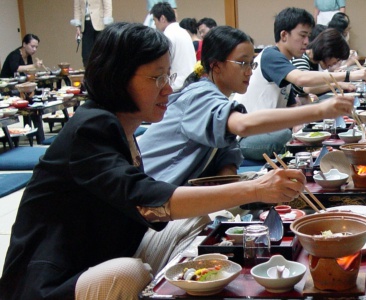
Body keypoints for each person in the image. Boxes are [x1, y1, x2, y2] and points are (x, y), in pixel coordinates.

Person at [0, 22, 308, 300]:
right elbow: (146, 202)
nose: (168, 88)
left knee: (197, 221)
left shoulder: (122, 124)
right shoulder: (89, 127)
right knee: (125, 274)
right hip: (55, 278)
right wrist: (255, 189)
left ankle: (175, 289)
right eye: (157, 77)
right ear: (118, 78)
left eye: (168, 75)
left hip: (109, 247)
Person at [138, 25, 355, 186]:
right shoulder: (199, 94)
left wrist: (233, 188)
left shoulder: (221, 99)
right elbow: (242, 126)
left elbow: (227, 160)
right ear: (216, 66)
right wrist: (321, 110)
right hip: (152, 197)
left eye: (251, 63)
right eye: (242, 63)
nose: (250, 71)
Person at [233, 7, 366, 161]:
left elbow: (295, 107)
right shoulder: (270, 55)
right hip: (247, 139)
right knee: (287, 135)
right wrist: (348, 75)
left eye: (308, 36)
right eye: (302, 35)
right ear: (284, 35)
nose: (307, 42)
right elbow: (301, 79)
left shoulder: (286, 64)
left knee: (304, 131)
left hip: (266, 132)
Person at [290, 28, 356, 100]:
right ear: (327, 51)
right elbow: (308, 87)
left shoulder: (314, 61)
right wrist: (338, 84)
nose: (335, 63)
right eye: (337, 59)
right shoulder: (301, 58)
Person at [151, 2, 196, 90]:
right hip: (191, 83)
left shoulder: (168, 35)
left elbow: (163, 64)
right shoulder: (184, 32)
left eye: (154, 20)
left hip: (177, 87)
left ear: (162, 18)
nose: (154, 24)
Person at [70, 0, 114, 67]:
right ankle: (88, 73)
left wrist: (107, 24)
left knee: (101, 52)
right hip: (86, 24)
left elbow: (107, 5)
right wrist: (78, 27)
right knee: (86, 54)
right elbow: (77, 8)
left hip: (100, 23)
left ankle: (101, 73)